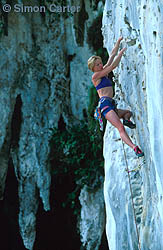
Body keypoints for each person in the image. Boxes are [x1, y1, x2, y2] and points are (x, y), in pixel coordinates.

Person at [87, 37, 144, 157]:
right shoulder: (95, 76)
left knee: (128, 113)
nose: (100, 65)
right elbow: (112, 66)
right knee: (120, 127)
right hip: (105, 106)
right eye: (97, 65)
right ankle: (135, 148)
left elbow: (111, 56)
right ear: (93, 68)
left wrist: (118, 42)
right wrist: (122, 52)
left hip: (111, 104)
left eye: (100, 63)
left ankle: (127, 120)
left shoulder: (104, 73)